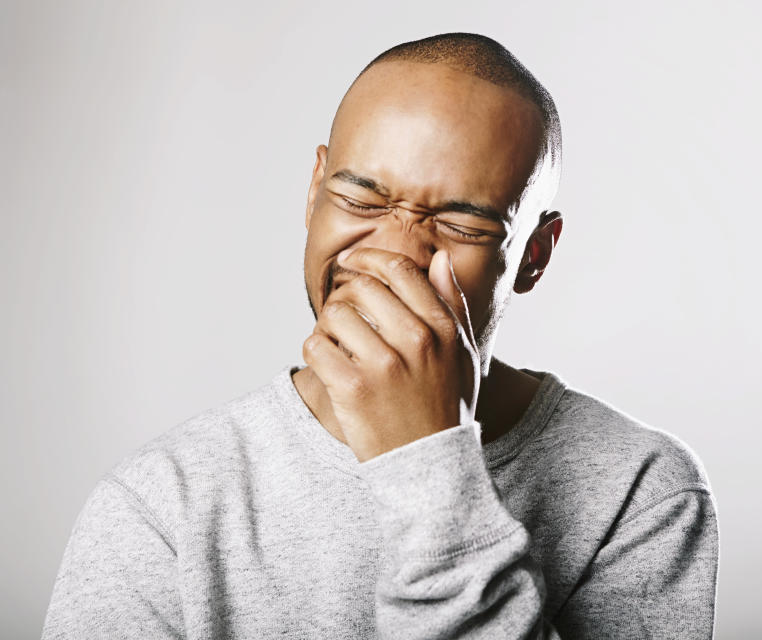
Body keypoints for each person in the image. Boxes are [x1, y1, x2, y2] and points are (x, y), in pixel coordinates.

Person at [42, 32, 719, 639]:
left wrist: (429, 463)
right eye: (361, 200)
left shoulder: (641, 492)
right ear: (313, 193)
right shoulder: (161, 506)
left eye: (460, 224)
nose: (394, 255)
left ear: (535, 255)